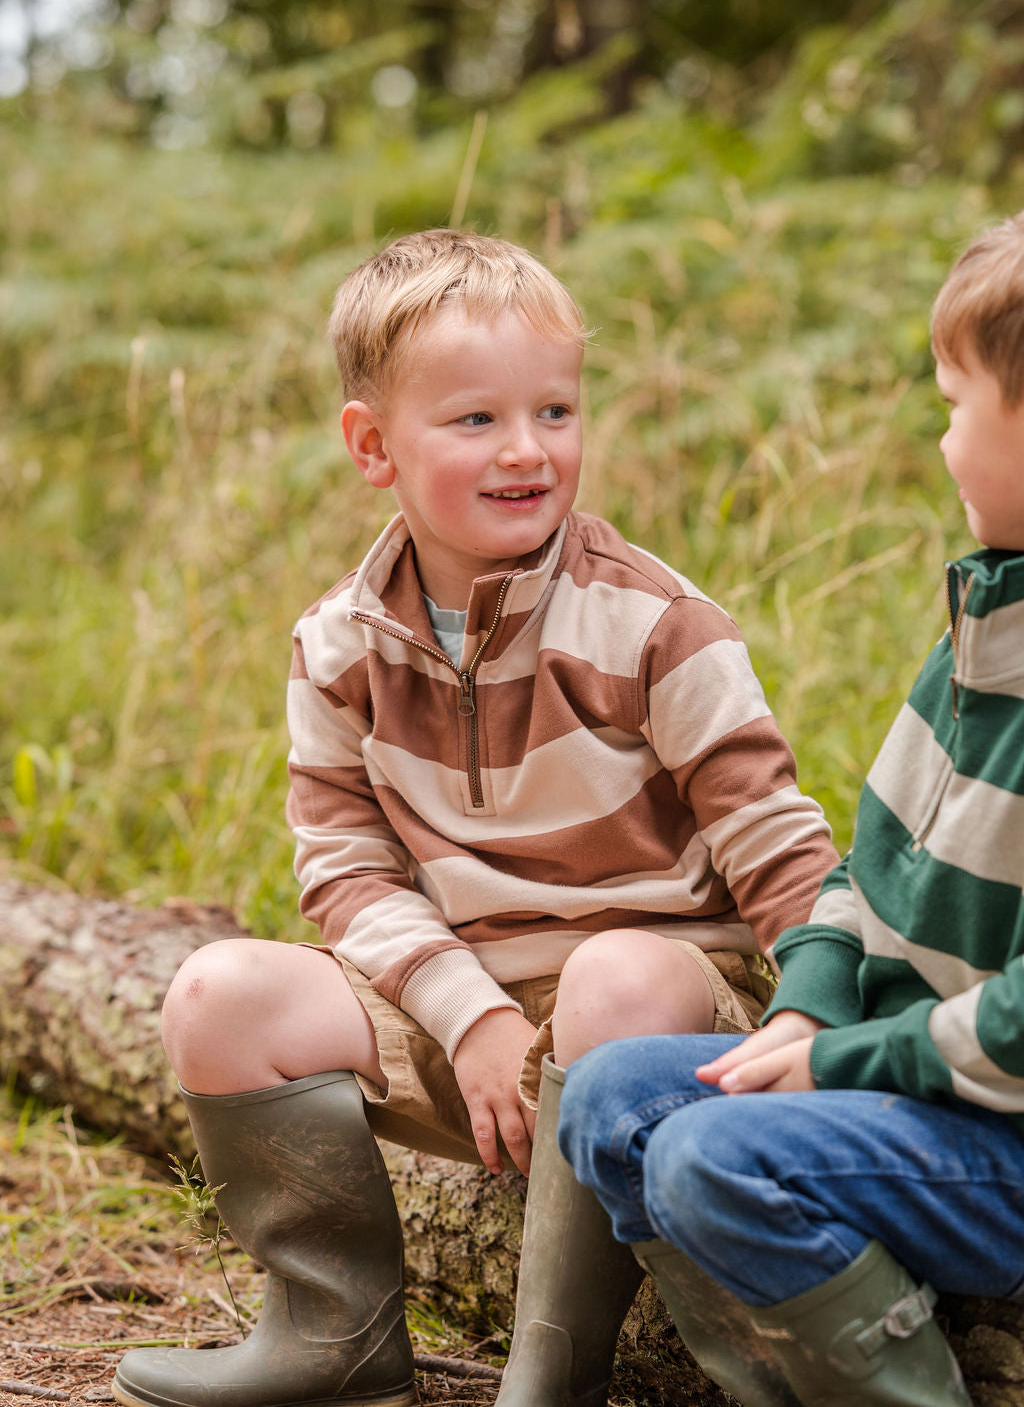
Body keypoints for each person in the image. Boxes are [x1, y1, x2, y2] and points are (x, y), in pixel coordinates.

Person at [112, 228, 837, 1407]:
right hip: (462, 1010)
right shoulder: (338, 642)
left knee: (616, 979)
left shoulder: (651, 622)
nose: (528, 451)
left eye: (556, 411)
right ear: (371, 446)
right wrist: (472, 1016)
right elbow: (346, 873)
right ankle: (332, 1332)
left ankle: (551, 1363)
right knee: (218, 996)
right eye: (475, 421)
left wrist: (816, 1004)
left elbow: (773, 832)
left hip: (657, 1021)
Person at [558, 210, 1024, 1407]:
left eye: (953, 405)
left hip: (995, 1126)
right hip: (924, 1087)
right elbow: (867, 865)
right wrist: (807, 1004)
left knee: (716, 1156)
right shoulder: (981, 636)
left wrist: (844, 1062)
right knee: (614, 1099)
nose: (940, 439)